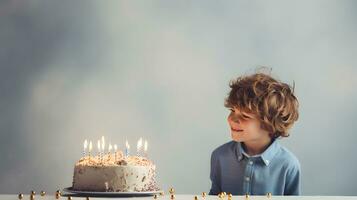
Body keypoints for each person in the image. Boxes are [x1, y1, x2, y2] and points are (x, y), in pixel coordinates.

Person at [209, 71, 301, 195]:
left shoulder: (288, 165)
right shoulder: (219, 156)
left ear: (269, 124)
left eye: (245, 116)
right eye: (232, 110)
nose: (232, 119)